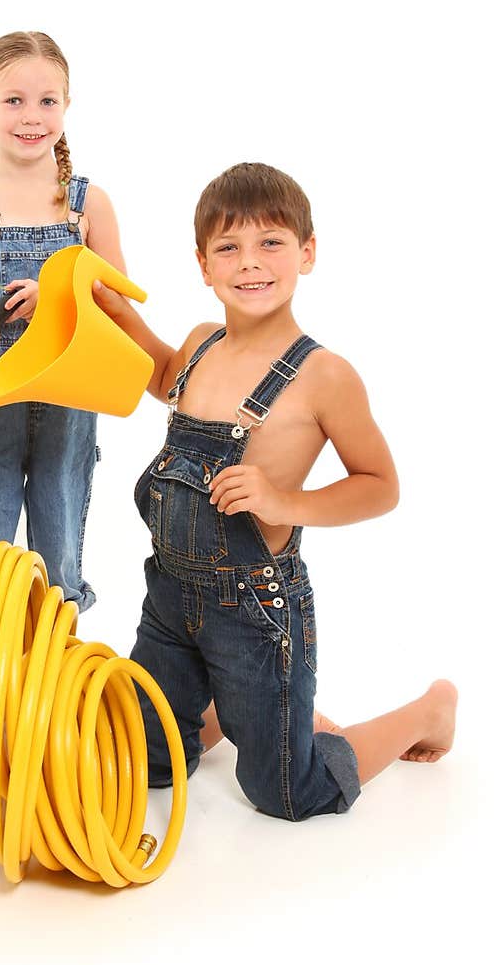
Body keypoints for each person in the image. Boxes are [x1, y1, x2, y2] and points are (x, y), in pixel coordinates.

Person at [92, 161, 457, 820]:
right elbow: (163, 377)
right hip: (170, 592)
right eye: (228, 247)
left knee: (289, 792)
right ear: (203, 265)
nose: (249, 263)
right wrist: (115, 310)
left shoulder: (324, 375)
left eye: (270, 243)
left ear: (306, 253)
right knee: (142, 762)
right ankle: (222, 704)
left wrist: (285, 503)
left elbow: (382, 486)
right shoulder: (201, 344)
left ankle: (427, 710)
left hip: (255, 606)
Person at [0, 30, 126, 612]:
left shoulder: (86, 204)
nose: (31, 117)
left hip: (68, 394)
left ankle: (57, 680)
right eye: (14, 100)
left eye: (47, 101)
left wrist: (58, 295)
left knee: (58, 551)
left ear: (66, 107)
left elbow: (119, 300)